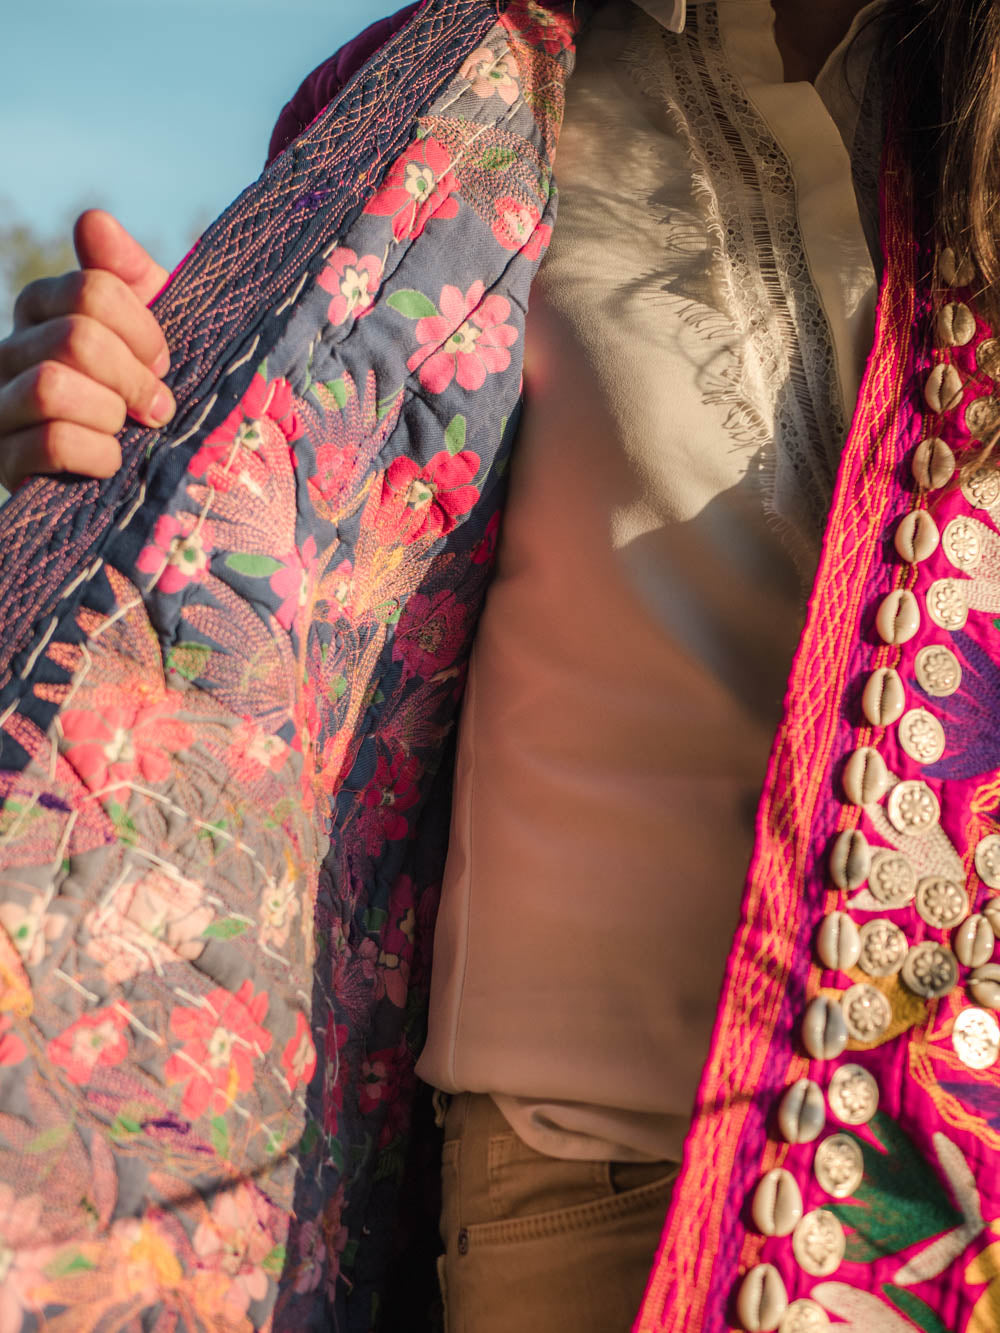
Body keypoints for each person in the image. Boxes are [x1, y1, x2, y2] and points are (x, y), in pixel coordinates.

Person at [0, 1, 998, 1331]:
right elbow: (258, 536)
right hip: (582, 1181)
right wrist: (111, 426)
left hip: (953, 1183)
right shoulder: (467, 92)